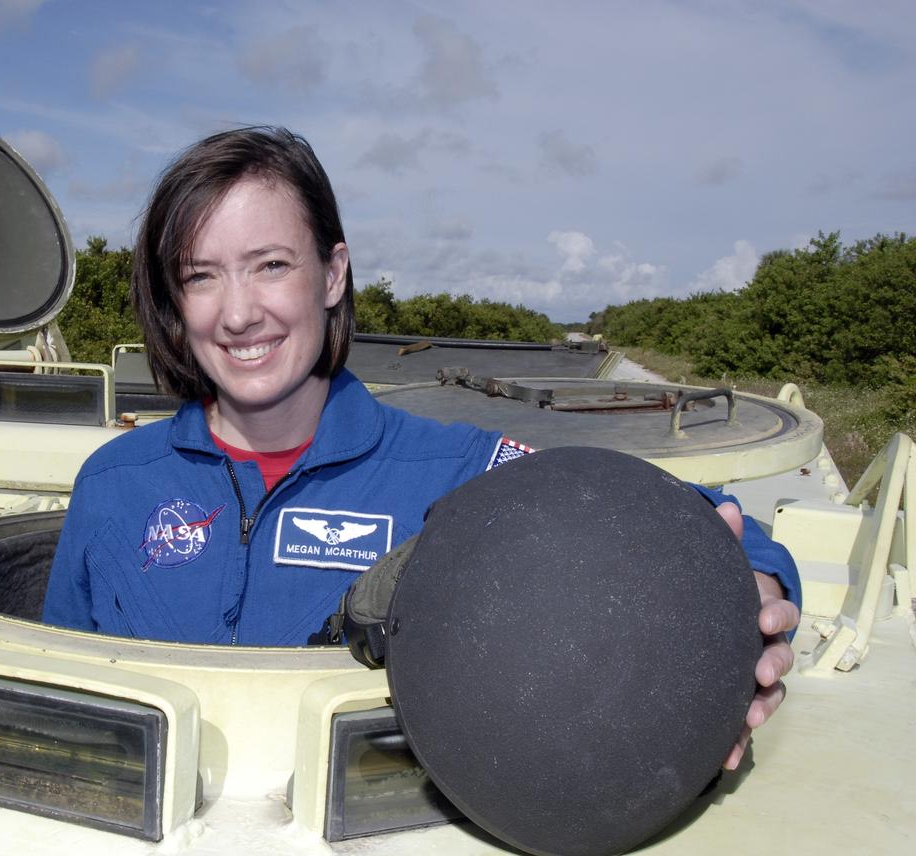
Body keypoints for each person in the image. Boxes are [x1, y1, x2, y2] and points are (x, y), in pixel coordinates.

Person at [42, 126, 799, 769]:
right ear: (175, 302)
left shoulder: (452, 471)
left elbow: (670, 516)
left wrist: (756, 589)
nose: (239, 313)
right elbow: (60, 713)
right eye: (202, 276)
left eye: (271, 265)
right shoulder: (114, 484)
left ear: (331, 275)